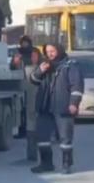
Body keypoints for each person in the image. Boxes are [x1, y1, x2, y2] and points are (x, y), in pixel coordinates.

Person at [30, 43, 84, 174]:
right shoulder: (45, 65)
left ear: (59, 50)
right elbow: (34, 81)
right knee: (42, 137)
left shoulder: (70, 65)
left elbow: (76, 86)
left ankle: (66, 165)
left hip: (62, 106)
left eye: (52, 51)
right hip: (45, 106)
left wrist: (74, 103)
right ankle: (46, 164)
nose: (50, 54)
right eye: (47, 51)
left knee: (65, 138)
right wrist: (39, 71)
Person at [11, 36, 43, 159]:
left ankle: (33, 139)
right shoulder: (18, 53)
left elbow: (40, 67)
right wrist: (15, 62)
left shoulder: (35, 52)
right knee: (21, 110)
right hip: (20, 85)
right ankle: (23, 130)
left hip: (32, 87)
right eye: (22, 43)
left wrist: (35, 62)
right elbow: (12, 67)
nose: (24, 46)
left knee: (32, 113)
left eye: (26, 43)